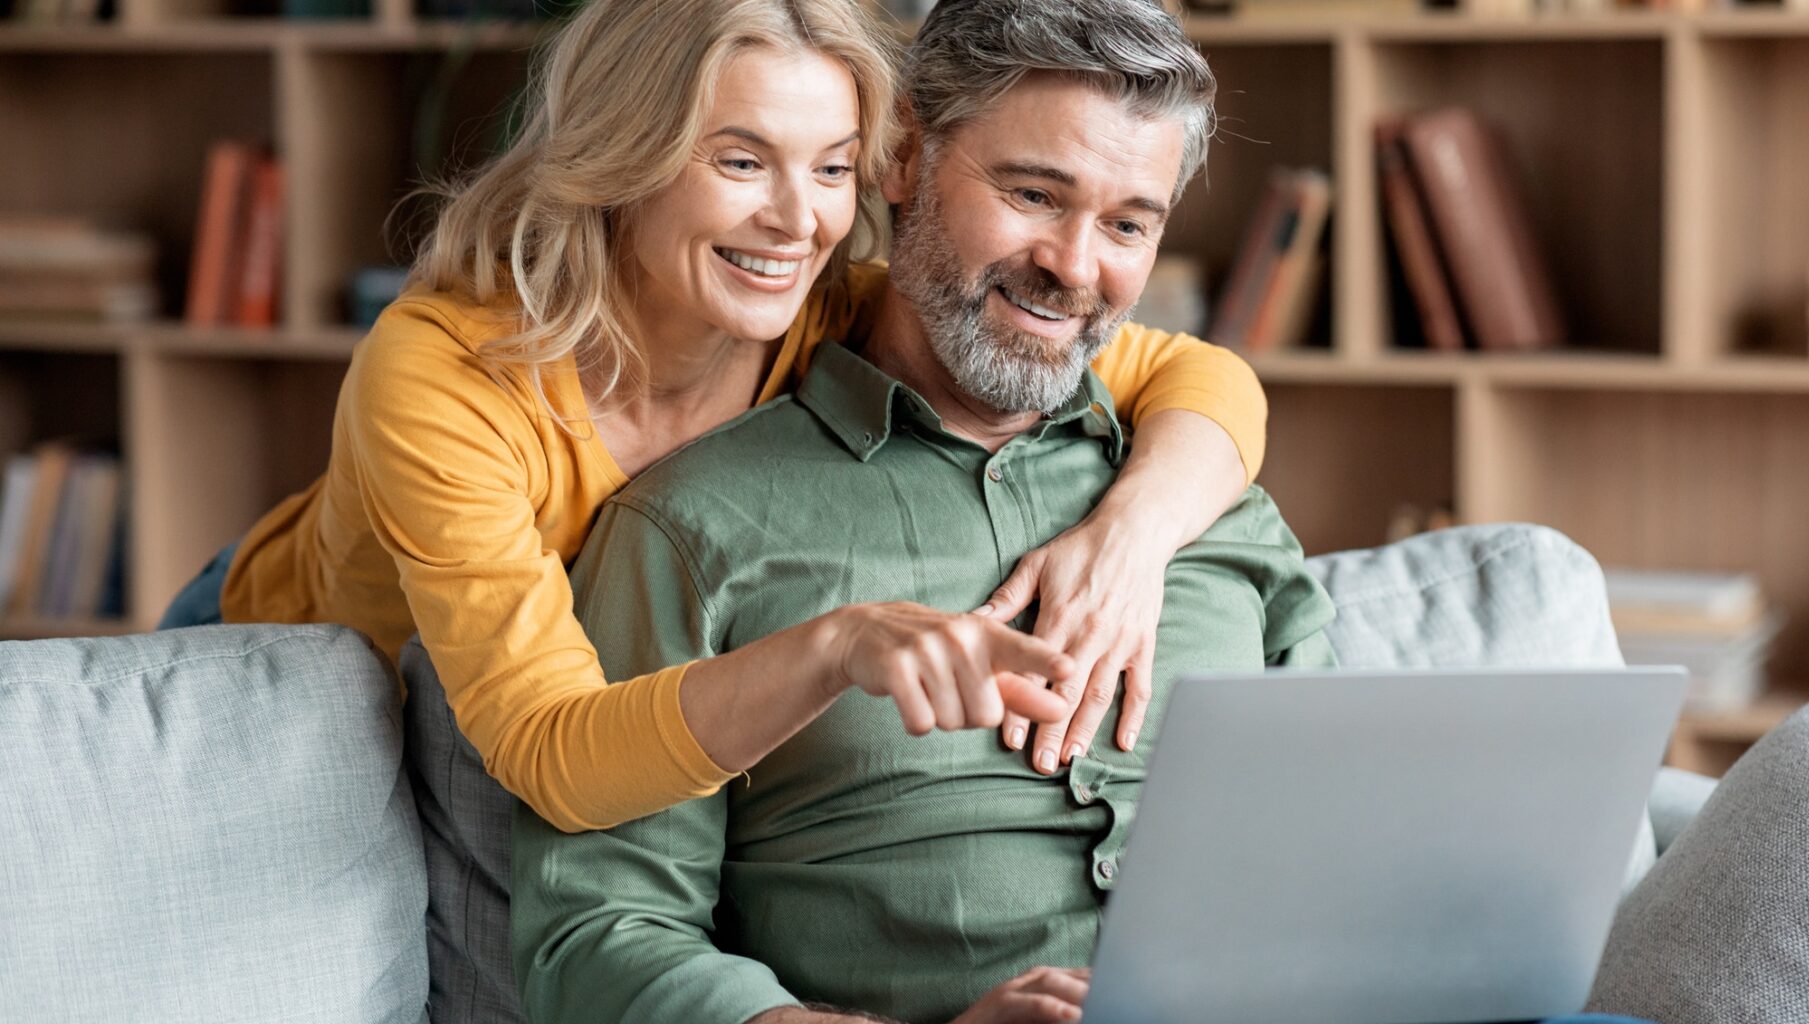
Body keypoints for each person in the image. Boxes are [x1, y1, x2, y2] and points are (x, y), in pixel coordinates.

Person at [161, 0, 1274, 833]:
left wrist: (1128, 539)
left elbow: (1204, 380)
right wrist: (840, 645)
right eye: (741, 161)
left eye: (832, 166)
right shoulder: (446, 372)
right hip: (282, 671)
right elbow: (552, 749)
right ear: (620, 157)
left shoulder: (819, 305)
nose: (799, 220)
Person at [509, 2, 1342, 1021]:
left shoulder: (1209, 503)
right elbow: (595, 935)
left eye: (1129, 223)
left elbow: (1357, 840)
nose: (1077, 268)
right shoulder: (689, 528)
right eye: (1034, 194)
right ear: (903, 157)